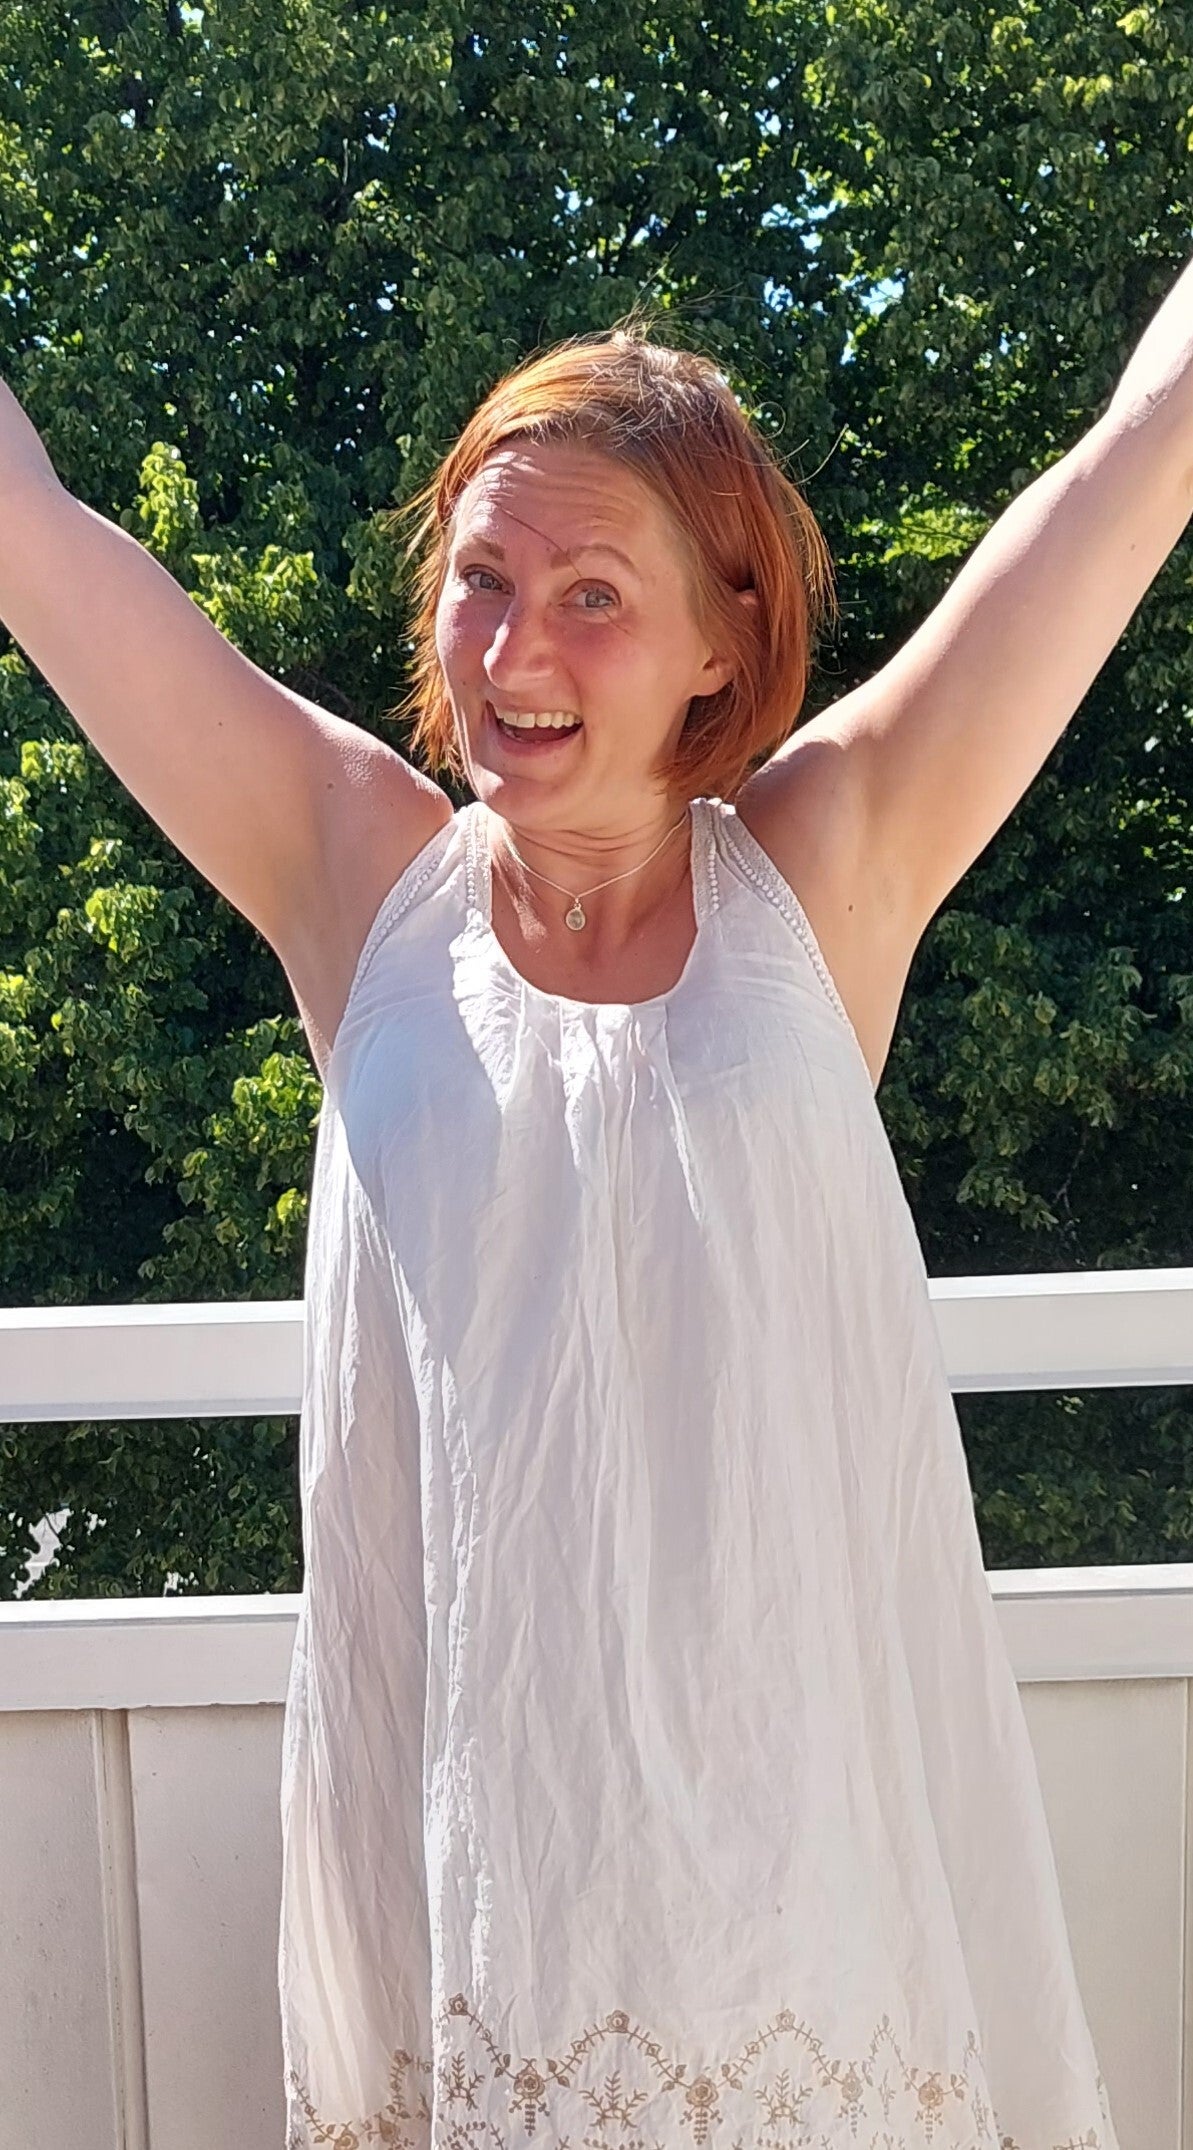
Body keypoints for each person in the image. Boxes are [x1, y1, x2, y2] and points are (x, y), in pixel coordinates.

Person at [6, 265, 1193, 2148]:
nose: (514, 650)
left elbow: (1144, 450)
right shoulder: (355, 870)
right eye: (482, 577)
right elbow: (36, 535)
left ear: (724, 635)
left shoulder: (831, 856)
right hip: (480, 1883)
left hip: (801, 1890)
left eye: (590, 595)